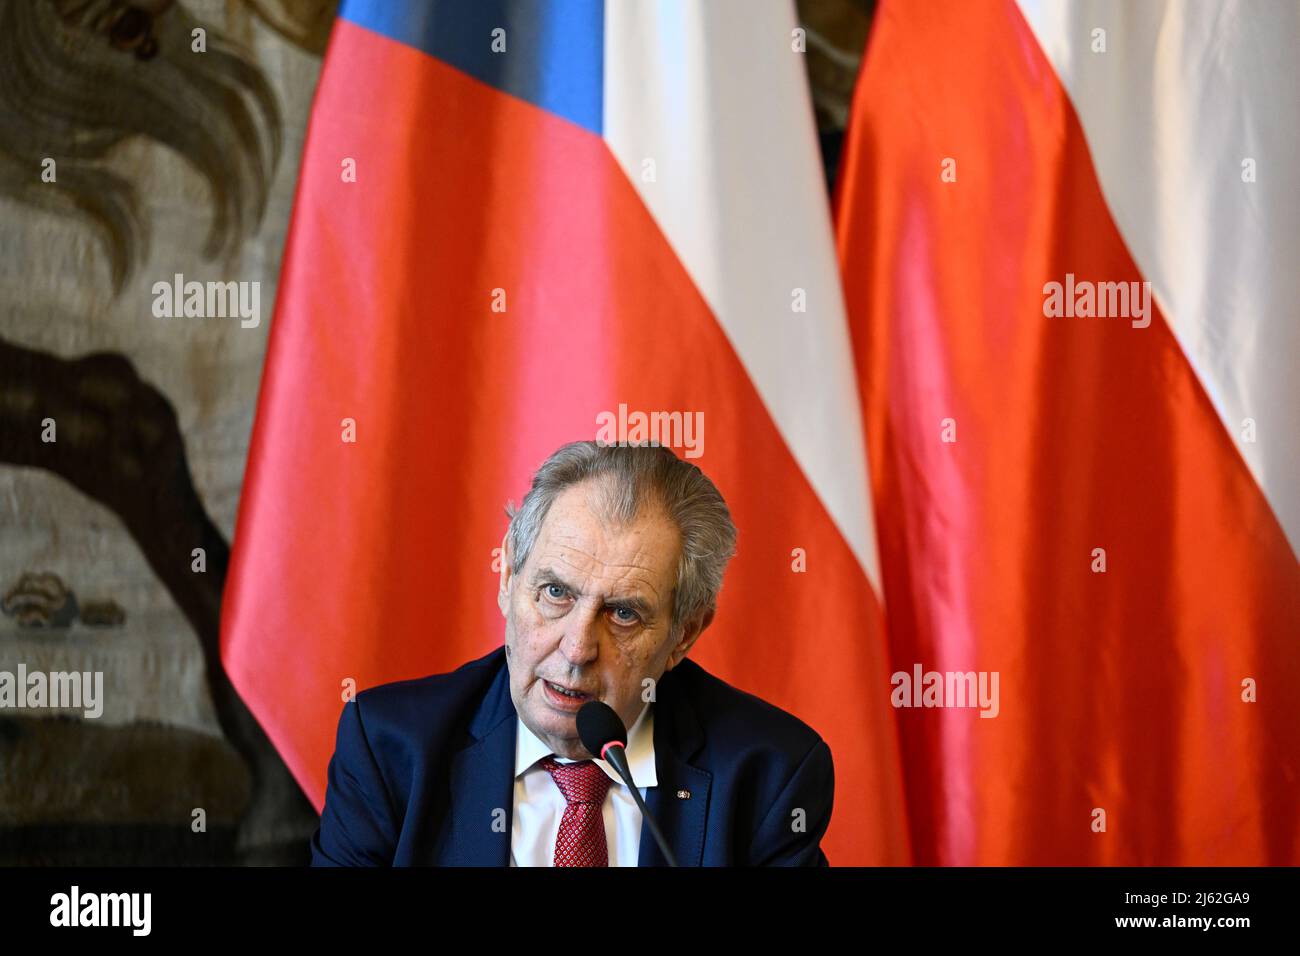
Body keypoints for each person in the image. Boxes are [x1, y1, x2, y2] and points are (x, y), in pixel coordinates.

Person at [311, 440, 834, 866]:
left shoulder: (769, 775)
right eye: (556, 593)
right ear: (509, 578)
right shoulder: (390, 750)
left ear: (684, 635)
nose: (578, 648)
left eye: (623, 614)